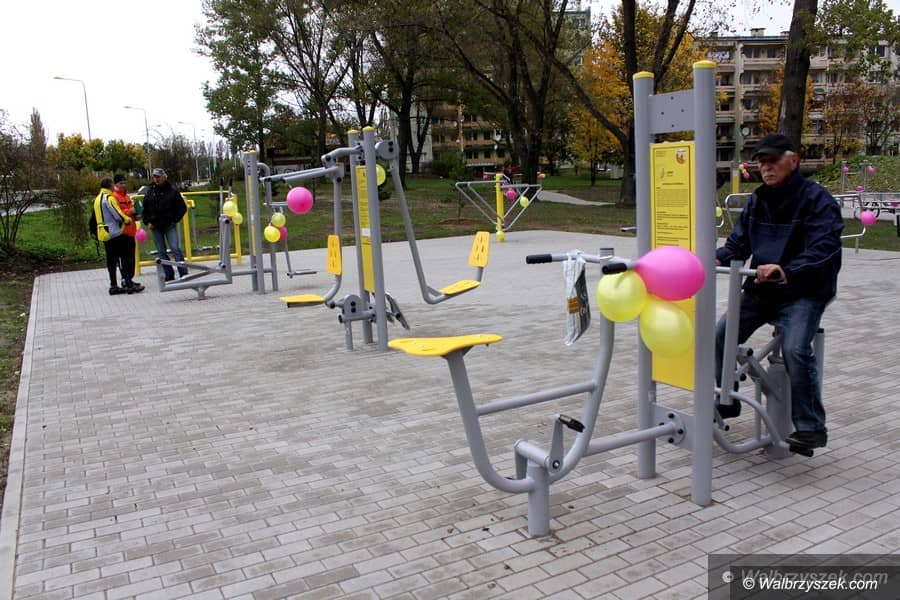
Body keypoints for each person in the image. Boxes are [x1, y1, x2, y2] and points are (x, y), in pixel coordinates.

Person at [714, 133, 843, 451]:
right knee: (720, 335)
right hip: (762, 290)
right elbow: (738, 243)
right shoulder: (757, 200)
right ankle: (727, 398)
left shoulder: (817, 200)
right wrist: (716, 257)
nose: (766, 167)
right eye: (761, 162)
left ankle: (811, 427)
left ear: (793, 161)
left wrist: (786, 270)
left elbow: (824, 248)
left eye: (772, 161)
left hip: (802, 291)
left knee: (796, 348)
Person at [141, 168, 188, 280]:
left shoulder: (172, 190)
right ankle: (169, 274)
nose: (156, 179)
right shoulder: (150, 191)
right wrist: (147, 221)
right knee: (161, 252)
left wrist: (174, 220)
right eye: (154, 177)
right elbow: (145, 209)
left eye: (158, 176)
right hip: (155, 226)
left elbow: (182, 207)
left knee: (175, 248)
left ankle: (183, 273)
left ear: (164, 177)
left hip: (169, 225)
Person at [92, 178, 134, 295]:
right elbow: (117, 214)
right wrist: (127, 219)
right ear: (110, 185)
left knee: (111, 260)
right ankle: (127, 282)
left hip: (103, 232)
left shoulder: (97, 199)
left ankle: (113, 285)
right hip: (114, 232)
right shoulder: (108, 198)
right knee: (123, 257)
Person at [112, 174, 144, 293]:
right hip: (121, 232)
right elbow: (117, 214)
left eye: (124, 183)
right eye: (120, 183)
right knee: (124, 259)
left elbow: (131, 213)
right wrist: (130, 211)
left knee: (131, 258)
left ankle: (129, 279)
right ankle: (125, 280)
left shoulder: (127, 196)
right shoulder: (114, 197)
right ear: (115, 184)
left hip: (131, 231)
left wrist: (136, 216)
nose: (123, 185)